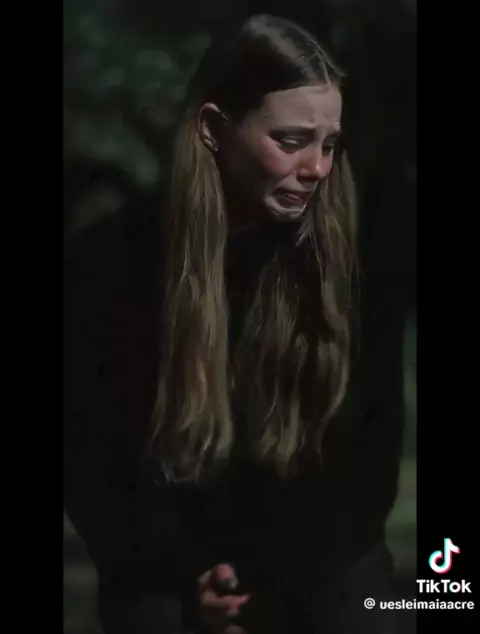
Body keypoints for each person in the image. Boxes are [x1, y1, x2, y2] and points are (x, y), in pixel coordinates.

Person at [64, 14, 405, 634]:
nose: (317, 168)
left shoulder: (358, 263)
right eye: (291, 140)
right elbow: (96, 459)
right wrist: (186, 573)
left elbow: (369, 459)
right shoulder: (107, 263)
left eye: (329, 144)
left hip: (317, 553)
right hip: (168, 555)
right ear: (214, 129)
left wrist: (271, 579)